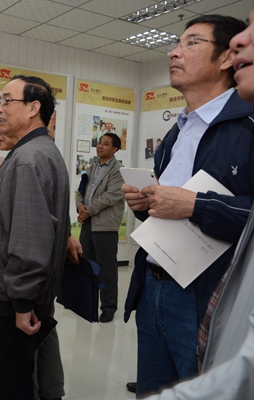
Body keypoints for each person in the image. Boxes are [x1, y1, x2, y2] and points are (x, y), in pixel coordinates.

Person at [121, 15, 254, 397]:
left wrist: (197, 205)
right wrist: (146, 204)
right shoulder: (177, 130)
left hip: (205, 296)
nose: (174, 52)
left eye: (192, 43)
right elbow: (172, 208)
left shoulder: (247, 124)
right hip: (153, 287)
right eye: (176, 44)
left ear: (226, 58)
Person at [0, 75, 70, 400]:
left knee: (7, 388)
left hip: (8, 305)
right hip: (11, 301)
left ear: (33, 108)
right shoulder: (34, 151)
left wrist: (22, 301)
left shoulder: (29, 158)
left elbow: (29, 239)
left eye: (6, 100)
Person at [76, 133, 124, 323]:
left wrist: (87, 210)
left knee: (106, 269)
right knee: (87, 265)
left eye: (106, 144)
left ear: (115, 149)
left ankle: (108, 307)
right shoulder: (93, 165)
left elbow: (110, 196)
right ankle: (87, 303)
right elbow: (81, 189)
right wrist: (80, 207)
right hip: (88, 223)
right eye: (99, 143)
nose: (100, 146)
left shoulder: (118, 170)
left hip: (105, 225)